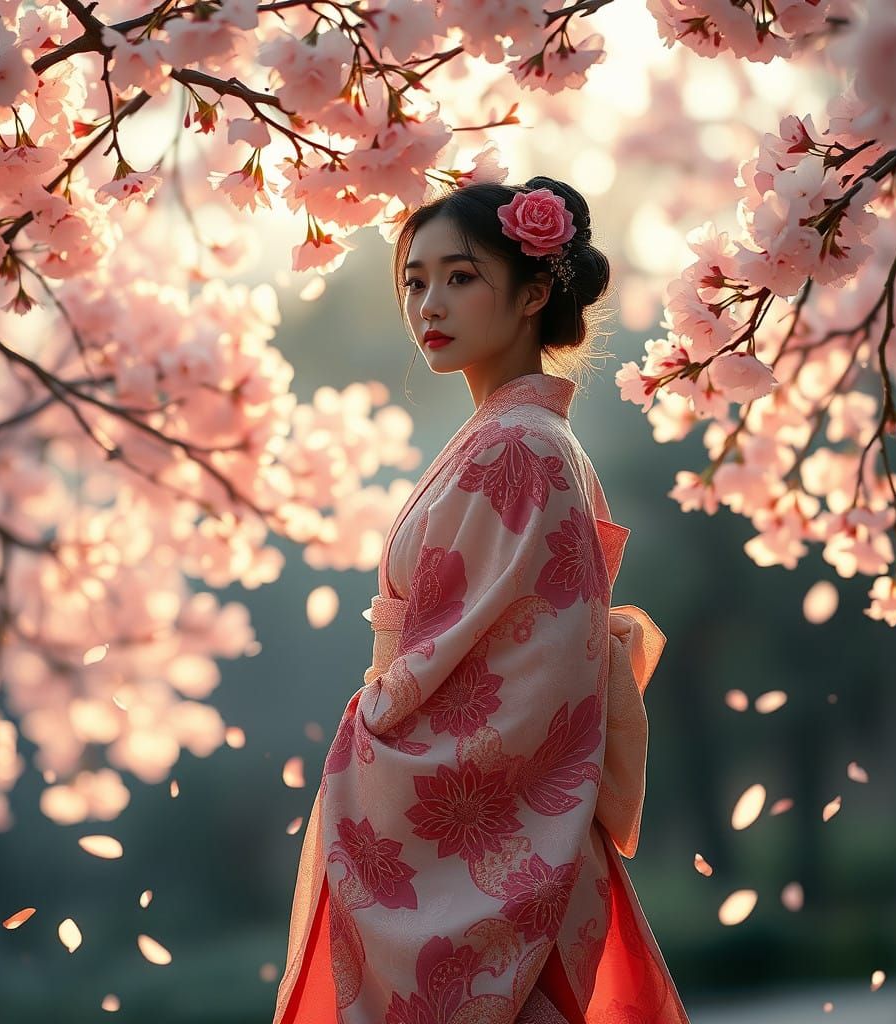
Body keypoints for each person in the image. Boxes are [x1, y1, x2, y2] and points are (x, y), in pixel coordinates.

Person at [271, 177, 691, 1024]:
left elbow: (530, 670)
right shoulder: (517, 439)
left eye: (460, 277)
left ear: (534, 292)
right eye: (415, 280)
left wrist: (380, 721)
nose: (430, 301)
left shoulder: (518, 448)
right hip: (500, 823)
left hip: (484, 821)